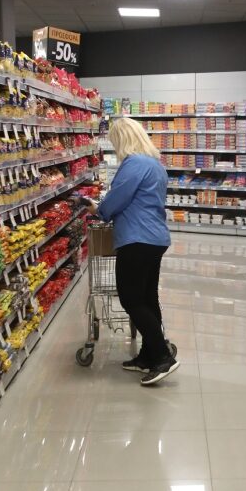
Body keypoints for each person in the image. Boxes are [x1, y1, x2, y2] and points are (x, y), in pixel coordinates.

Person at [91, 117, 178, 385]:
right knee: (148, 298)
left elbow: (117, 198)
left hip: (137, 238)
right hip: (154, 237)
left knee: (130, 298)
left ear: (123, 139)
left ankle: (162, 356)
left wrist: (99, 210)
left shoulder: (134, 164)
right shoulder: (154, 163)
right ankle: (147, 356)